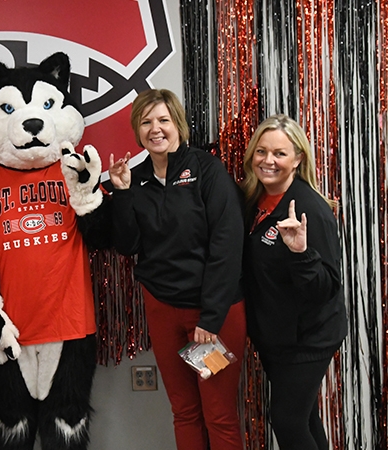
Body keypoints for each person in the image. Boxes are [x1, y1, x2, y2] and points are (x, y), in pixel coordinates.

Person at [108, 89, 246, 450]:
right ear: (137, 130)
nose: (156, 128)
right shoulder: (135, 179)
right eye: (146, 121)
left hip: (212, 314)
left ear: (178, 125)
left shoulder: (206, 169)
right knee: (184, 411)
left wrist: (211, 319)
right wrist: (121, 193)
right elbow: (128, 245)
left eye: (163, 120)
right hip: (164, 310)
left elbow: (227, 246)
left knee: (218, 413)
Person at [240, 115, 347, 450]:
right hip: (275, 335)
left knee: (286, 420)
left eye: (280, 153)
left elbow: (325, 288)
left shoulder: (309, 210)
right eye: (261, 151)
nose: (268, 160)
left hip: (308, 338)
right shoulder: (252, 202)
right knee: (304, 418)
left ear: (298, 159)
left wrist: (301, 252)